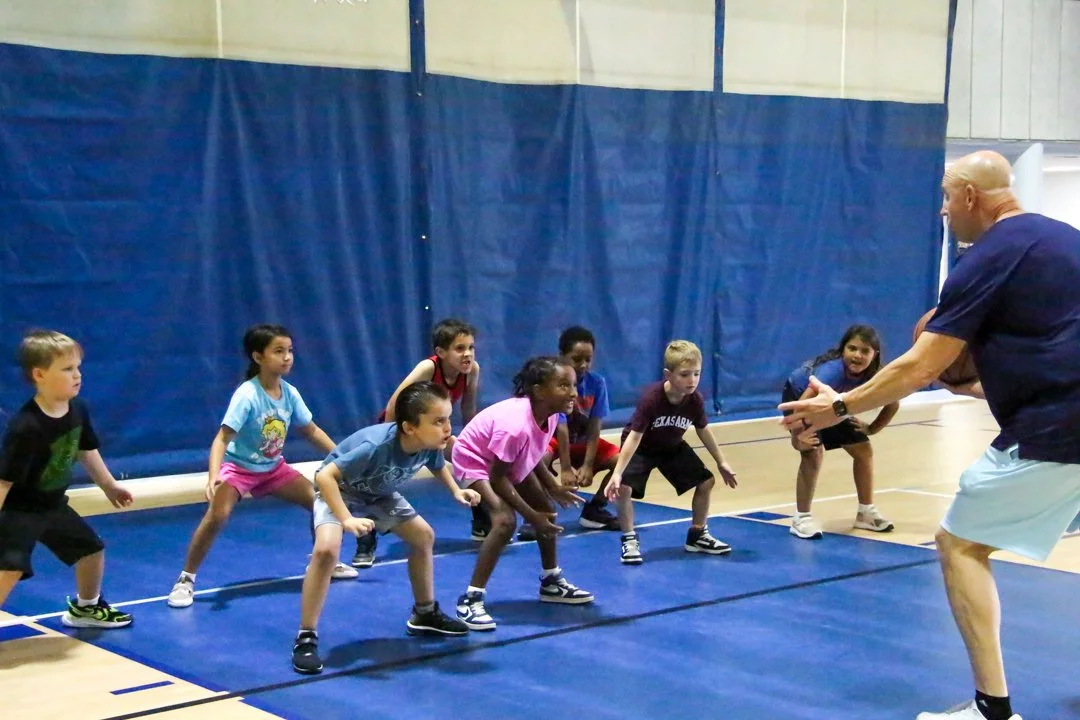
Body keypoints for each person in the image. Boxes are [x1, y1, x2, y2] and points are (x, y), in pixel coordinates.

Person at [780, 151, 1080, 720]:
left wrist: (838, 406)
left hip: (1057, 427)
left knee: (961, 544)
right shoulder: (1066, 240)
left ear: (969, 196)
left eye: (946, 197)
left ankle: (992, 710)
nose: (944, 211)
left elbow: (917, 367)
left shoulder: (984, 258)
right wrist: (986, 387)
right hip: (1061, 411)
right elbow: (1054, 345)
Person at [291, 382, 480, 675]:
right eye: (438, 421)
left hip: (379, 494)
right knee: (327, 550)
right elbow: (325, 476)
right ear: (409, 427)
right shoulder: (375, 446)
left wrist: (456, 490)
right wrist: (346, 519)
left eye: (448, 419)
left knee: (423, 537)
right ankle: (306, 636)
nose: (447, 428)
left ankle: (425, 613)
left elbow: (437, 464)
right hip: (340, 491)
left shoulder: (428, 444)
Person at [167, 324, 355, 609]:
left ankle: (323, 559)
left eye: (290, 351)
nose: (287, 357)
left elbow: (312, 431)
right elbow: (221, 440)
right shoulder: (247, 395)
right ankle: (186, 579)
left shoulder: (289, 393)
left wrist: (342, 457)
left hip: (273, 469)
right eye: (278, 351)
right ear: (258, 357)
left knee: (320, 501)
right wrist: (213, 477)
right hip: (238, 469)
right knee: (218, 515)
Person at [0, 330, 134, 628]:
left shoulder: (77, 410)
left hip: (52, 505)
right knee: (8, 570)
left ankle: (85, 609)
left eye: (78, 368)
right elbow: (4, 481)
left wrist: (109, 485)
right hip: (19, 511)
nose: (77, 375)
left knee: (90, 550)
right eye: (67, 369)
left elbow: (87, 449)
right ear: (39, 374)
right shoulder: (26, 426)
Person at [452, 357, 592, 632]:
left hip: (501, 460)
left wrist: (552, 488)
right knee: (505, 522)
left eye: (573, 385)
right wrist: (531, 517)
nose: (573, 392)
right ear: (539, 391)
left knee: (547, 509)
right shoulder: (514, 425)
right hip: (475, 460)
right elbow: (498, 478)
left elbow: (532, 455)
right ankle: (470, 598)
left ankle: (551, 582)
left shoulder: (550, 416)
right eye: (564, 385)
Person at [353, 318, 485, 568]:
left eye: (471, 347)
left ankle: (480, 513)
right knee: (376, 485)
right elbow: (395, 403)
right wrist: (388, 440)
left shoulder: (472, 370)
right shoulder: (428, 368)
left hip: (433, 432)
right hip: (402, 430)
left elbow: (468, 408)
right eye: (460, 348)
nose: (467, 354)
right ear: (441, 352)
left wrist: (472, 442)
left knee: (472, 459)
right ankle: (366, 538)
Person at [604, 340, 738, 565]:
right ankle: (629, 539)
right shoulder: (652, 399)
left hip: (671, 445)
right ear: (668, 374)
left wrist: (721, 462)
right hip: (642, 447)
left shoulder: (694, 399)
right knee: (624, 488)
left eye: (696, 374)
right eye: (685, 374)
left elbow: (703, 430)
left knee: (706, 482)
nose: (692, 380)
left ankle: (697, 535)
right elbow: (634, 436)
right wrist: (617, 473)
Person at [783, 324, 898, 539]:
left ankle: (865, 513)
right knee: (813, 453)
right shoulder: (832, 371)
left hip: (837, 404)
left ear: (875, 355)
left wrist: (871, 428)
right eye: (852, 348)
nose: (857, 355)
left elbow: (892, 404)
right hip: (802, 400)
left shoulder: (877, 375)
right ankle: (801, 518)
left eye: (865, 351)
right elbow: (800, 405)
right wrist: (797, 436)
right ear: (842, 350)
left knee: (863, 449)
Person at [519, 325, 620, 540]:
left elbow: (595, 426)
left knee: (624, 461)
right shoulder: (558, 385)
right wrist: (565, 468)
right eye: (576, 359)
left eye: (588, 359)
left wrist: (588, 464)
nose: (583, 365)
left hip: (582, 443)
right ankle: (536, 514)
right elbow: (561, 427)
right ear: (562, 357)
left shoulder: (597, 383)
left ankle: (596, 509)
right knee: (536, 459)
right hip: (554, 441)